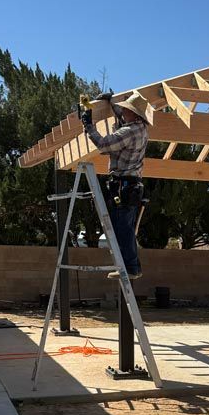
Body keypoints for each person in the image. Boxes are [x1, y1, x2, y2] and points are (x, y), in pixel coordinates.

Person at [81, 94, 150, 278]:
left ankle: (130, 269)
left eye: (127, 109)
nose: (124, 111)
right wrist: (111, 102)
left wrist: (89, 126)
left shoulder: (130, 131)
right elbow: (122, 116)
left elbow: (104, 145)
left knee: (122, 229)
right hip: (129, 185)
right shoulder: (139, 127)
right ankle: (133, 267)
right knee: (124, 228)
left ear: (134, 114)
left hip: (124, 185)